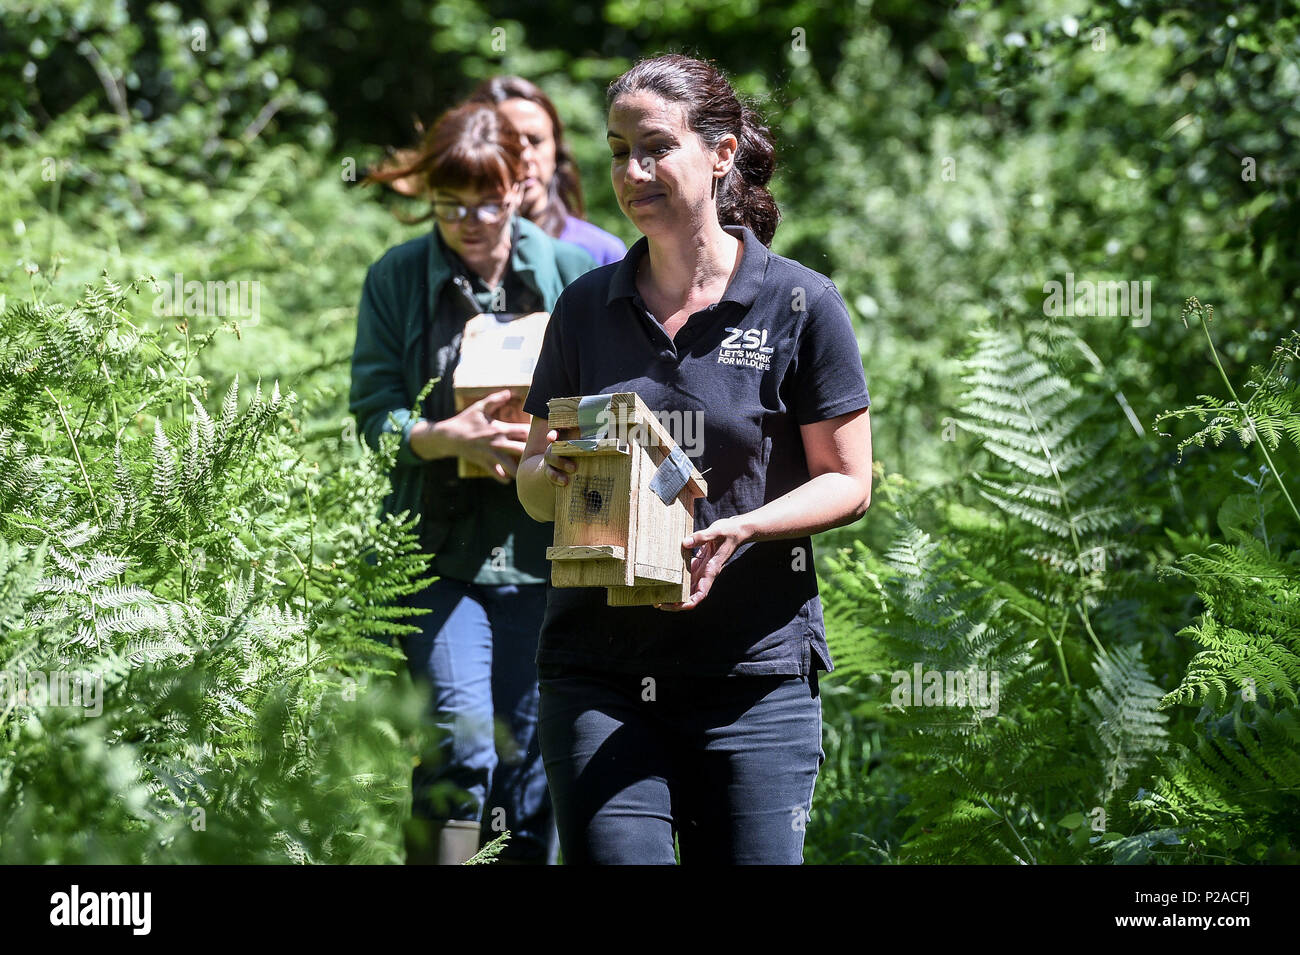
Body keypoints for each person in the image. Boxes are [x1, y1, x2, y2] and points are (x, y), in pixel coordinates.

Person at [515, 54, 875, 865]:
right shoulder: (584, 306)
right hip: (598, 676)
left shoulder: (800, 303)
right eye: (615, 151)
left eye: (653, 147)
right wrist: (559, 471)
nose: (631, 171)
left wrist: (744, 527)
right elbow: (533, 487)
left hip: (754, 680)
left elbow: (850, 482)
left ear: (720, 153)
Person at [349, 102, 597, 864]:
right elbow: (372, 413)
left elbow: (610, 403)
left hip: (544, 555)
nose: (468, 221)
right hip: (437, 555)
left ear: (522, 186)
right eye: (449, 204)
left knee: (528, 767)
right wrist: (439, 435)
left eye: (486, 203)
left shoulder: (570, 273)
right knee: (461, 750)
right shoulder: (398, 277)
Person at [467, 76, 628, 266]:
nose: (525, 156)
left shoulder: (600, 253)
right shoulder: (460, 248)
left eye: (535, 140)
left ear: (556, 151)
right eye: (507, 143)